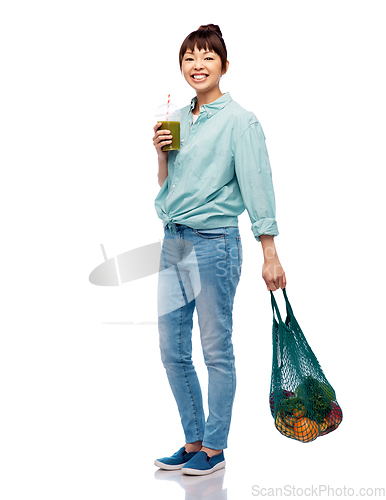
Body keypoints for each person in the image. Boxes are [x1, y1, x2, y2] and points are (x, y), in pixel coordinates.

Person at [152, 24, 286, 476]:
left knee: (215, 350)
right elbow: (171, 188)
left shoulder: (241, 121)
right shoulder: (181, 117)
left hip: (215, 244)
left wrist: (270, 253)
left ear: (224, 66)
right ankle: (192, 440)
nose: (198, 65)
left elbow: (257, 186)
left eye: (208, 57)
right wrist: (160, 155)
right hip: (174, 240)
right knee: (172, 347)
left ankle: (214, 447)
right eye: (190, 57)